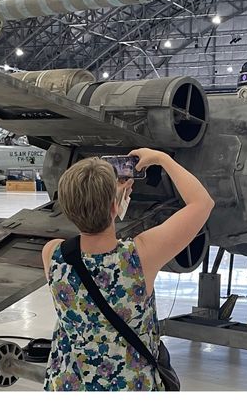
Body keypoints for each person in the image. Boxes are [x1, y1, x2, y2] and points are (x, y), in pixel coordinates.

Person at [41, 151, 214, 391]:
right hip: (131, 385)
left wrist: (111, 199)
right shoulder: (140, 256)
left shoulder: (52, 253)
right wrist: (162, 159)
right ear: (115, 206)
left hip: (69, 385)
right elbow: (202, 203)